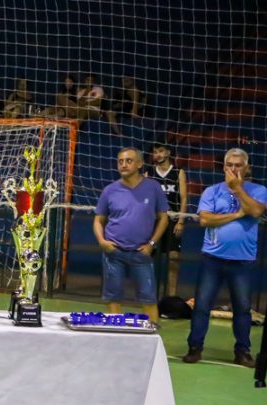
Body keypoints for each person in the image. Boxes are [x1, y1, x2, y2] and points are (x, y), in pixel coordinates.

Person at [183, 148, 267, 367]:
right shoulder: (211, 191)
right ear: (223, 167)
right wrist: (238, 214)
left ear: (247, 168)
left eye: (238, 165)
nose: (233, 169)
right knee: (202, 305)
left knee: (242, 308)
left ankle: (242, 351)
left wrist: (238, 190)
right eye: (230, 165)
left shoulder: (258, 190)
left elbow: (256, 211)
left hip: (243, 260)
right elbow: (205, 220)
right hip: (212, 257)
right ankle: (195, 347)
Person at [93, 147, 170, 322]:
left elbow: (163, 219)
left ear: (140, 164)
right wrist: (102, 241)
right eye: (120, 161)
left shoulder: (153, 187)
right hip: (113, 252)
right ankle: (116, 337)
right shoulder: (110, 190)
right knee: (113, 297)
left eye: (128, 161)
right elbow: (99, 220)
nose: (123, 165)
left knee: (148, 297)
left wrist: (151, 244)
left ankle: (152, 338)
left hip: (141, 253)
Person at [145, 142, 188, 296]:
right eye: (155, 152)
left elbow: (183, 199)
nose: (158, 155)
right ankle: (148, 293)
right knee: (148, 258)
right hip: (154, 222)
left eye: (161, 151)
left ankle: (171, 296)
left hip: (172, 221)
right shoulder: (149, 172)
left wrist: (181, 221)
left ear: (168, 152)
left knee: (173, 259)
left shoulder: (178, 172)